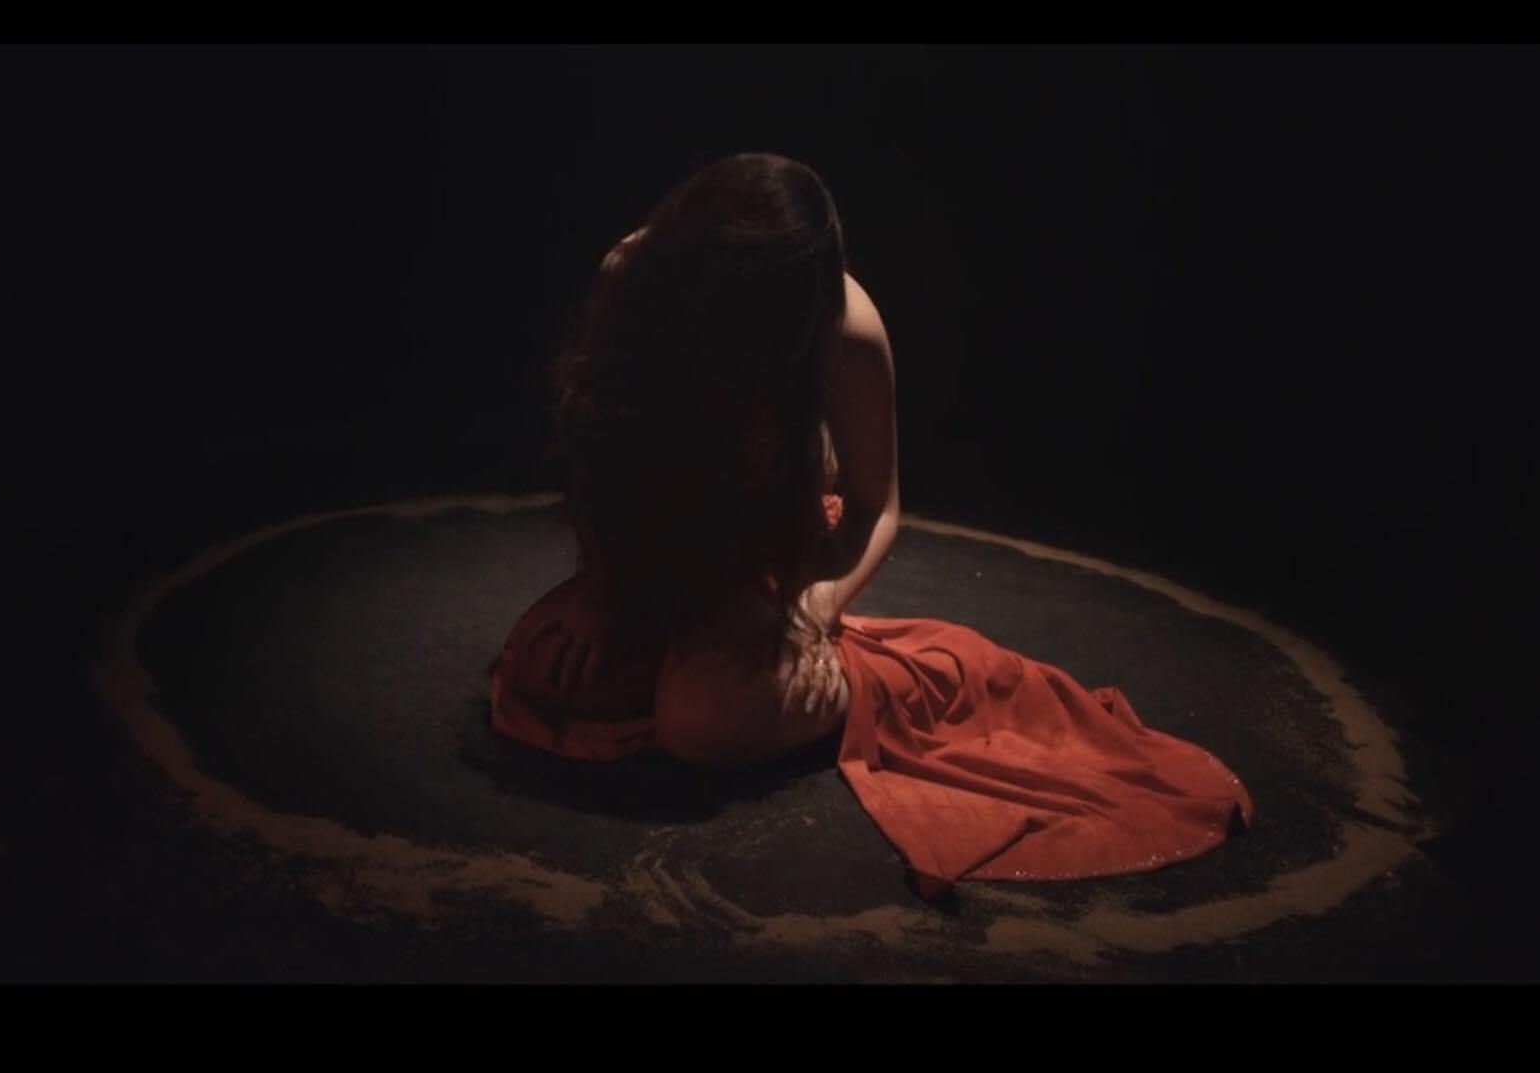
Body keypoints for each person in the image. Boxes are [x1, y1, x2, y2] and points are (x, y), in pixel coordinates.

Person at [490, 153, 1251, 896]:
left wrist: (811, 608)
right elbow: (601, 450)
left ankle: (884, 681)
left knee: (700, 723)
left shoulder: (841, 324)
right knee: (546, 668)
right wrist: (603, 591)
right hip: (661, 535)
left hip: (773, 552)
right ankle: (711, 660)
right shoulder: (636, 280)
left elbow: (876, 506)